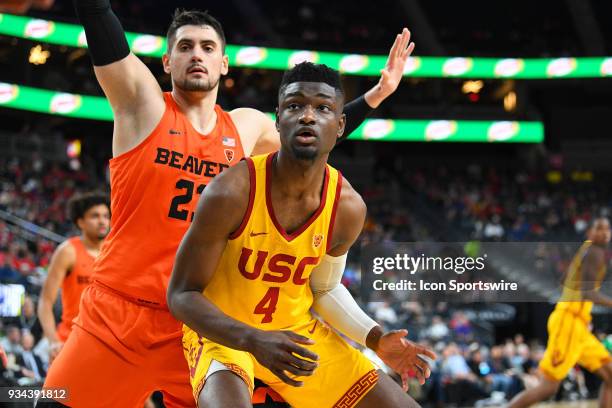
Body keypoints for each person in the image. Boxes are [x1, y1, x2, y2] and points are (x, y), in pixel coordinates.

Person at [42, 1, 416, 406]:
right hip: (119, 314)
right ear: (166, 62)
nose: (196, 54)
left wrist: (375, 96)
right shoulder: (143, 104)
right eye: (184, 47)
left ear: (224, 64)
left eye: (206, 47)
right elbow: (100, 24)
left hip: (204, 320)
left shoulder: (245, 126)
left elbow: (311, 134)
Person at [168, 62, 436, 408]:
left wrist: (376, 338)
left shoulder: (347, 207)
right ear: (278, 119)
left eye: (323, 108)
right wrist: (254, 339)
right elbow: (181, 295)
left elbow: (323, 289)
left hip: (296, 334)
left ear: (340, 125)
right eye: (295, 106)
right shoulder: (231, 192)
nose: (308, 116)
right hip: (224, 334)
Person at [508, 217, 612, 407]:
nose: (605, 233)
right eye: (599, 229)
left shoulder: (586, 250)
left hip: (578, 325)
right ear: (590, 232)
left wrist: (581, 312)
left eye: (607, 229)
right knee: (549, 386)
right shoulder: (595, 252)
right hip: (569, 324)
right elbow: (589, 293)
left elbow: (564, 280)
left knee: (611, 375)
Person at [37, 192, 110, 364]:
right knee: (61, 392)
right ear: (80, 222)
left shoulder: (114, 252)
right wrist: (53, 341)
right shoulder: (67, 251)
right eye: (95, 216)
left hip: (106, 344)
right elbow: (45, 302)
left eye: (106, 216)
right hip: (70, 341)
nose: (102, 221)